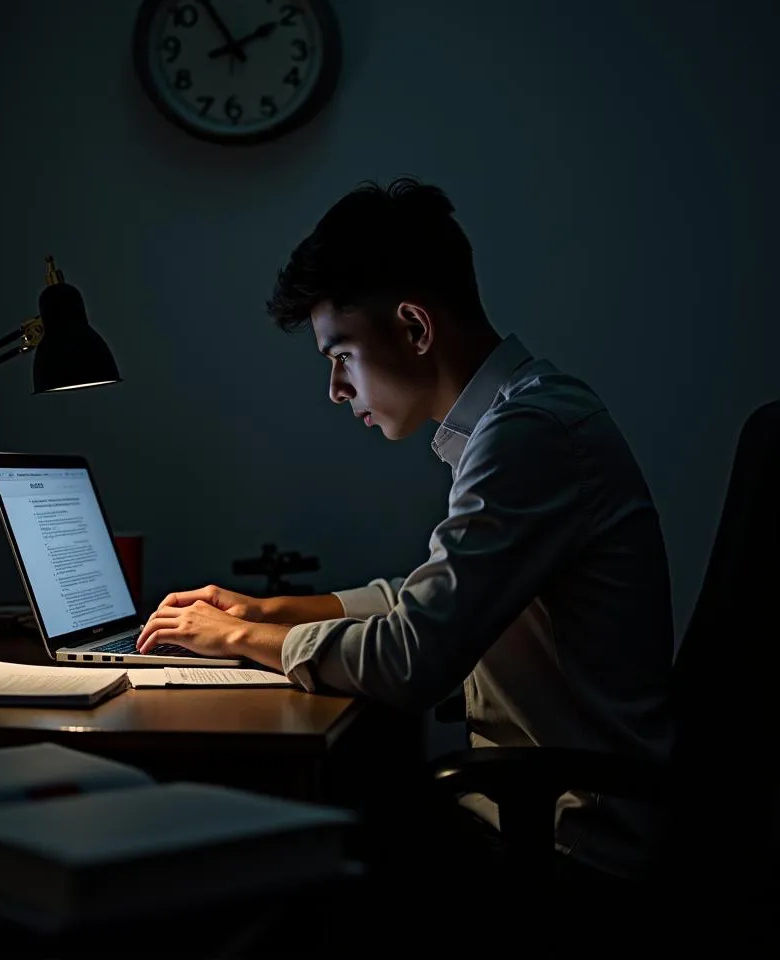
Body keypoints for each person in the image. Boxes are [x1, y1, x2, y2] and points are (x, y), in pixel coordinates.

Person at [137, 177, 675, 896]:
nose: (335, 389)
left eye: (340, 357)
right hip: (550, 821)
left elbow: (412, 657)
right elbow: (421, 600)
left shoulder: (528, 437)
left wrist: (235, 641)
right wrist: (266, 612)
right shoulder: (522, 421)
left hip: (571, 848)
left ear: (415, 329)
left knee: (254, 848)